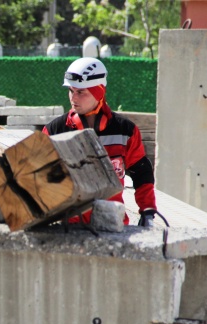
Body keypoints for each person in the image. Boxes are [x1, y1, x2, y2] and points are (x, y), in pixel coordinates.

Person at [42, 57, 157, 227]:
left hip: (112, 225)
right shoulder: (54, 131)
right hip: (67, 229)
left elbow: (142, 173)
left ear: (99, 92)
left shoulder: (125, 131)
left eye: (81, 92)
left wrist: (148, 210)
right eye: (71, 91)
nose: (74, 98)